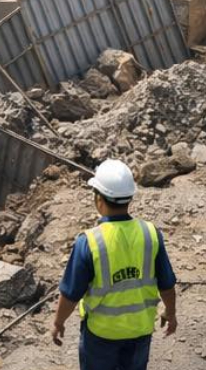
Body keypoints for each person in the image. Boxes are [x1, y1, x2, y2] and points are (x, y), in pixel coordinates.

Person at [51, 159, 178, 370]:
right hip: (140, 330)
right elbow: (167, 284)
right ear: (130, 198)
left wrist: (58, 322)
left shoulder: (90, 242)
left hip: (102, 334)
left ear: (99, 199)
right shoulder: (150, 234)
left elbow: (71, 294)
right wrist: (170, 313)